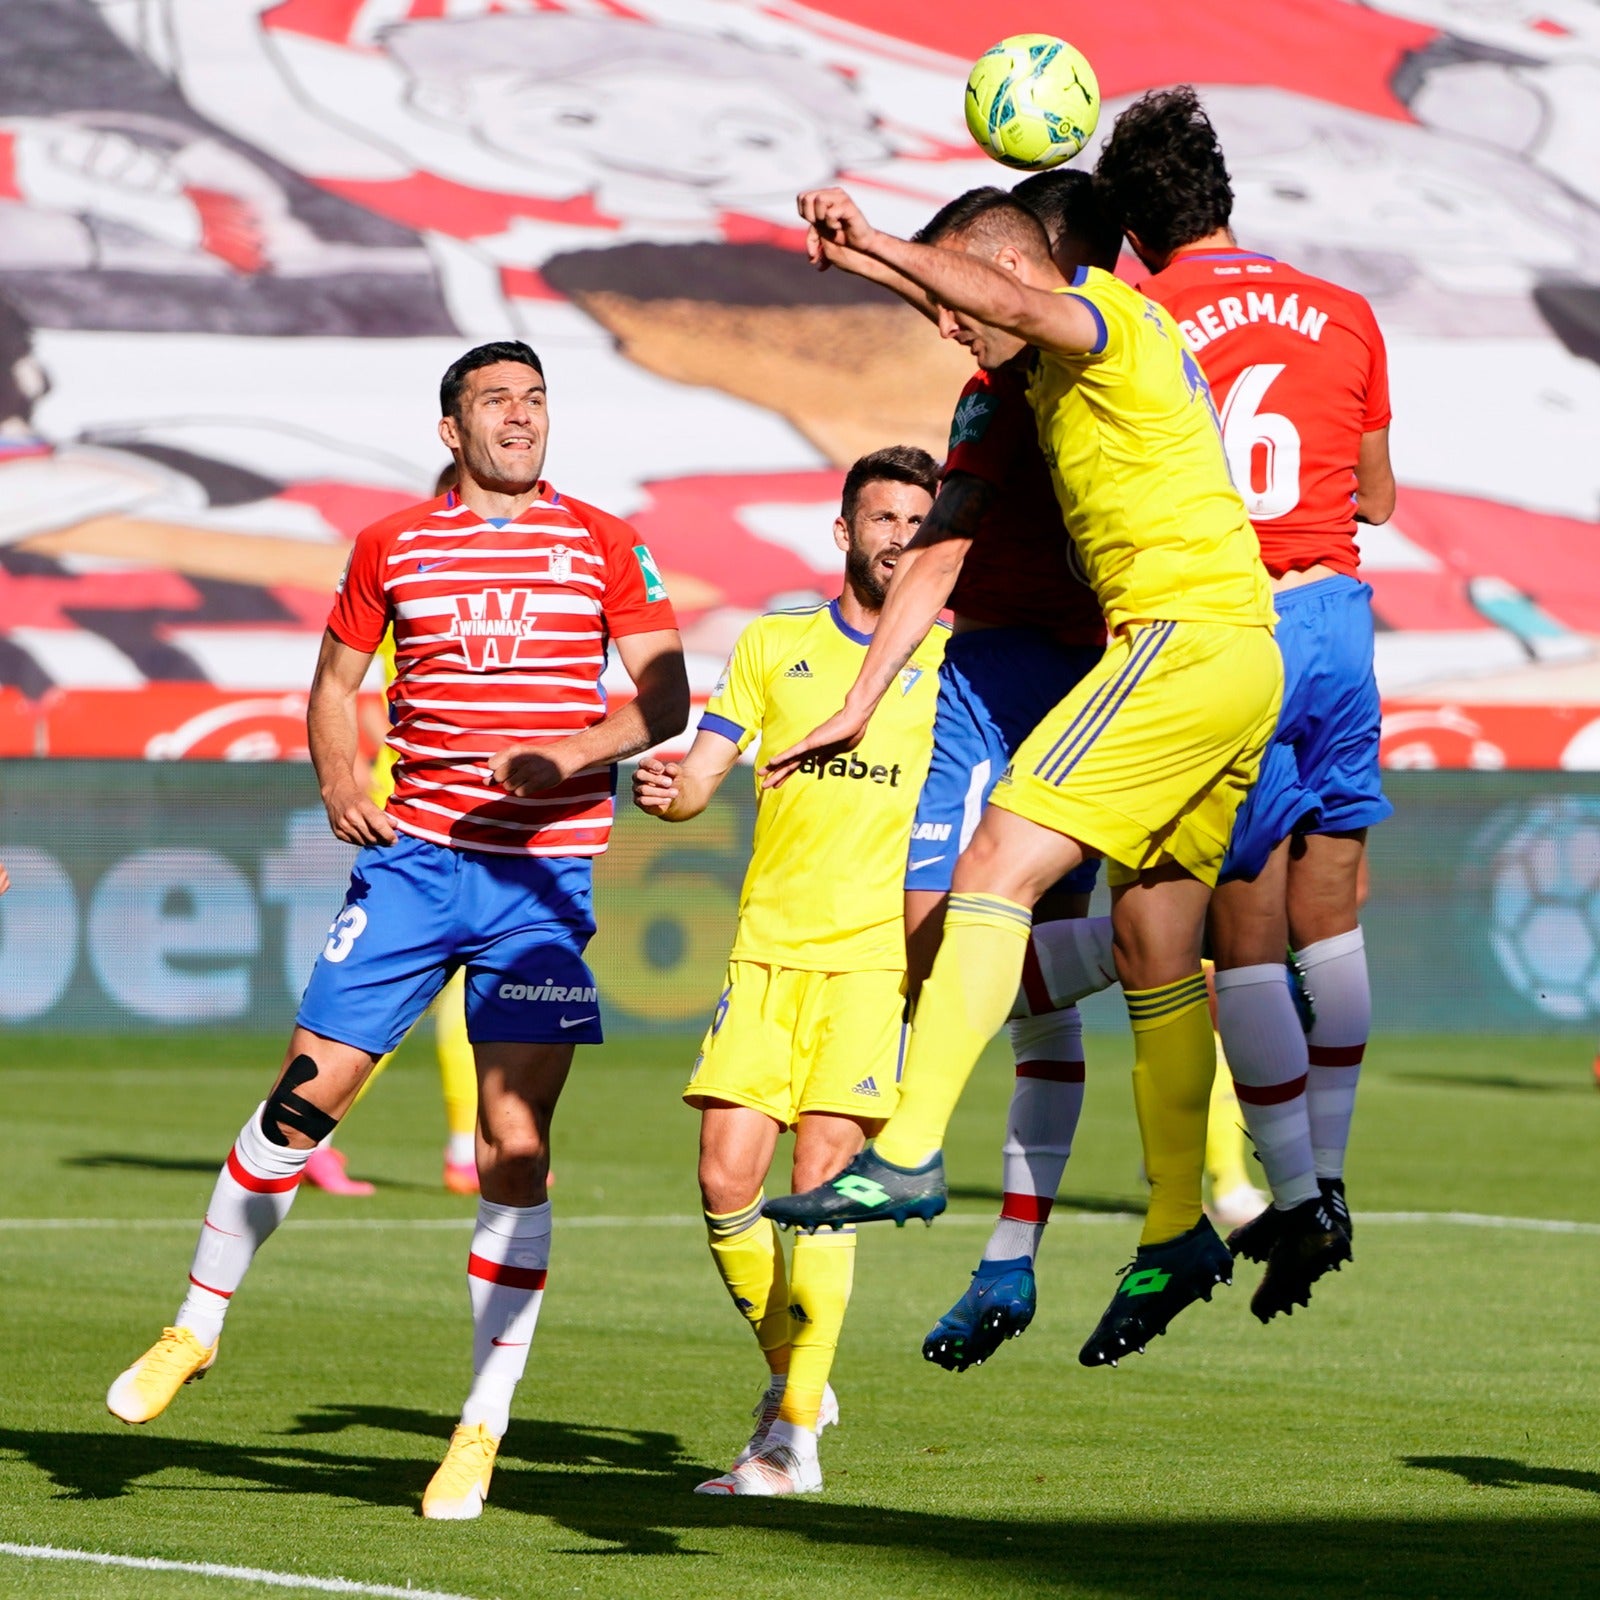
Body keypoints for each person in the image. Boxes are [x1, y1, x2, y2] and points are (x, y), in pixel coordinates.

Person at [105, 341, 690, 1523]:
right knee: (297, 1103)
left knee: (514, 1146)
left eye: (535, 399)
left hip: (542, 883)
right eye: (496, 401)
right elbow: (333, 684)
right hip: (413, 869)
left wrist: (569, 754)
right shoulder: (391, 544)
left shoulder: (601, 540)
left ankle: (479, 1426)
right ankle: (194, 1327)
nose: (521, 417)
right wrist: (337, 780)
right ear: (450, 429)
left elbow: (666, 694)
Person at [762, 185, 1282, 1370]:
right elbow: (985, 312)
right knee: (1155, 944)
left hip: (1173, 641)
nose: (949, 327)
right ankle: (1175, 1226)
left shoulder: (1104, 316)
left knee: (993, 870)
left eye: (959, 298)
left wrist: (884, 242)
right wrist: (875, 265)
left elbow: (1013, 301)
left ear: (1009, 271)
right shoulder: (1039, 368)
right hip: (1238, 655)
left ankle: (908, 1153)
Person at [1087, 85, 1392, 1318]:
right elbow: (1375, 497)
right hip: (1338, 617)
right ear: (1223, 194)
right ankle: (1334, 1175)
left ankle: (1296, 1191)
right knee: (1335, 913)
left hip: (1233, 626)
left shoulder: (1139, 317)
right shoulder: (1344, 310)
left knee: (1244, 930)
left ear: (1131, 227)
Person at [633, 445, 944, 1495]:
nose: (899, 537)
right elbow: (701, 776)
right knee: (725, 1179)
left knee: (822, 1185)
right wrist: (672, 791)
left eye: (918, 522)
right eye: (883, 518)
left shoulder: (957, 664)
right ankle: (792, 1372)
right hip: (767, 948)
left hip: (875, 962)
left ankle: (791, 1440)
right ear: (844, 530)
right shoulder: (775, 644)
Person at [305, 462, 483, 1200]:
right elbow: (351, 687)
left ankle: (464, 1150)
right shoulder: (408, 570)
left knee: (468, 1000)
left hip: (474, 819)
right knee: (383, 1000)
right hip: (411, 814)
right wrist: (353, 778)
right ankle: (308, 1133)